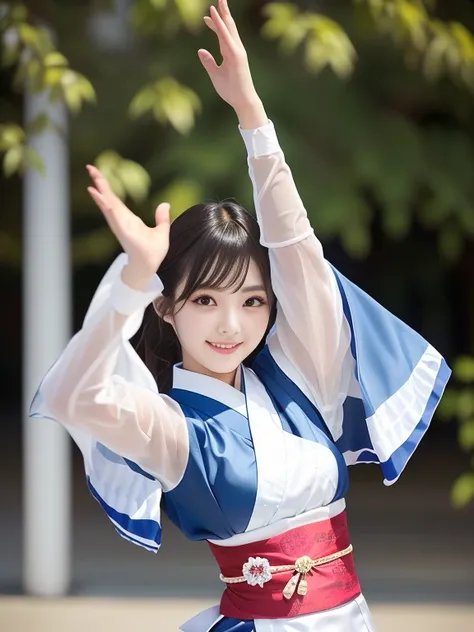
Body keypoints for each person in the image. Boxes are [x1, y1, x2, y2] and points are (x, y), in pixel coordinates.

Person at [30, 1, 451, 630]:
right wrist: (132, 282)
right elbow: (69, 393)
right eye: (205, 300)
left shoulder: (295, 379)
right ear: (167, 310)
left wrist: (253, 117)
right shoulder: (172, 427)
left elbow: (295, 248)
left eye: (252, 300)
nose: (232, 325)